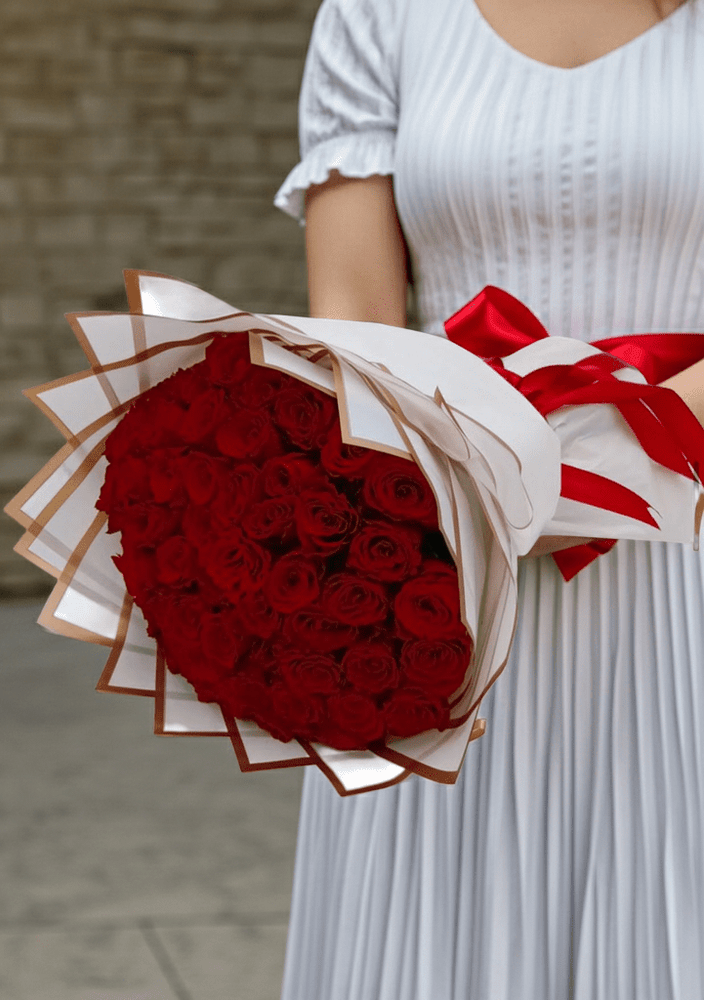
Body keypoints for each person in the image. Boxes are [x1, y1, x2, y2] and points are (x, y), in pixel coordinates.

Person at [273, 0, 704, 996]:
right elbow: (354, 317)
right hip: (438, 562)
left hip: (683, 550)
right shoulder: (378, 12)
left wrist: (588, 466)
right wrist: (458, 478)